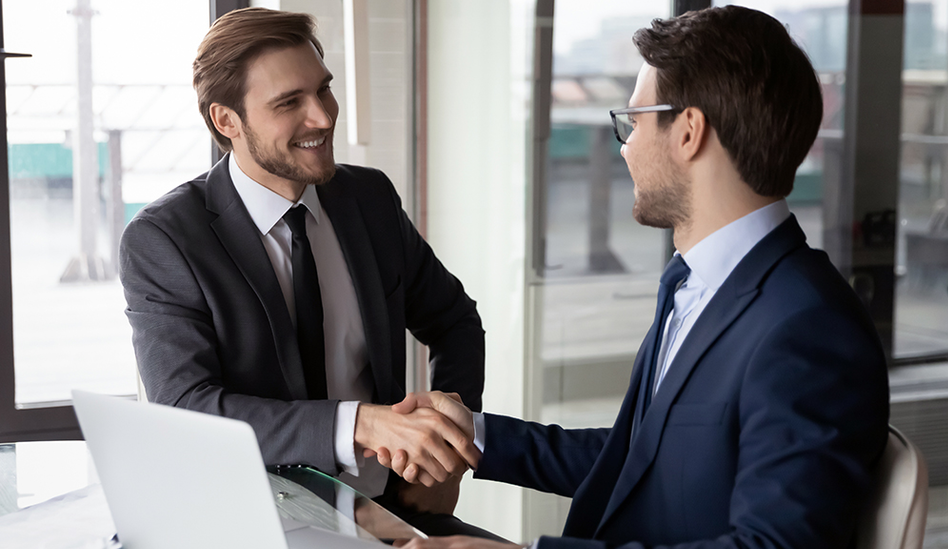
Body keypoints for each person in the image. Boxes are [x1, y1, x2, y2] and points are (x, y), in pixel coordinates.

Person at [381, 6, 890, 548]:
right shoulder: (692, 284)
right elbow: (643, 457)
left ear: (689, 131)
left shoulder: (808, 327)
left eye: (635, 121)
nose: (625, 146)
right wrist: (475, 435)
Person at [118, 7, 489, 536]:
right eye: (289, 103)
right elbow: (187, 408)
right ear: (227, 121)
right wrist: (359, 422)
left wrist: (448, 445)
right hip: (252, 520)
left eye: (324, 90)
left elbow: (453, 321)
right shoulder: (166, 238)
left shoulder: (369, 198)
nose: (322, 116)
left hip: (392, 508)